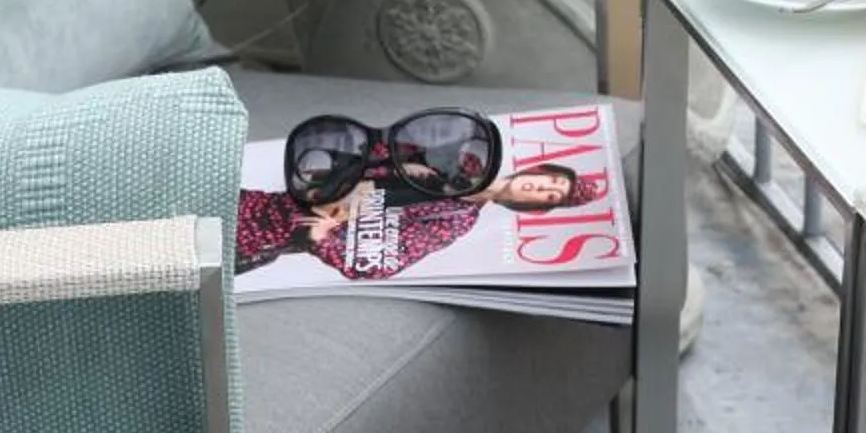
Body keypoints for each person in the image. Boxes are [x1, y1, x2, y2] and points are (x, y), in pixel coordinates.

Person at [234, 158, 608, 281]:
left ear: (536, 207)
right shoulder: (464, 156)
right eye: (550, 181)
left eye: (550, 196)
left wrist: (321, 240)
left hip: (265, 238)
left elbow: (383, 264)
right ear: (539, 169)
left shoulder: (455, 220)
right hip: (262, 200)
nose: (541, 188)